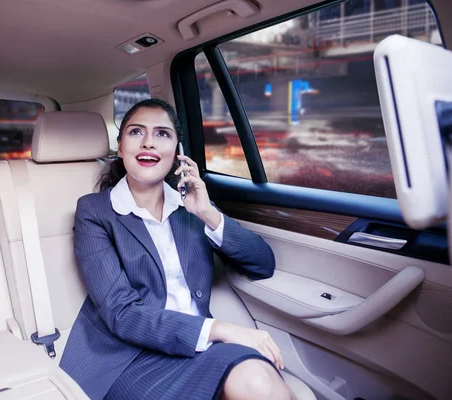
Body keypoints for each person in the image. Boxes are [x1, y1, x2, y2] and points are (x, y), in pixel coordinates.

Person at [59, 99, 292, 400]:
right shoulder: (94, 211)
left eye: (162, 134)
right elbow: (122, 313)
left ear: (177, 151)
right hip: (132, 357)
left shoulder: (190, 206)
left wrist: (207, 213)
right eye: (135, 132)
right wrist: (219, 329)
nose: (148, 143)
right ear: (120, 145)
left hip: (200, 349)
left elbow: (262, 263)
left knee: (259, 382)